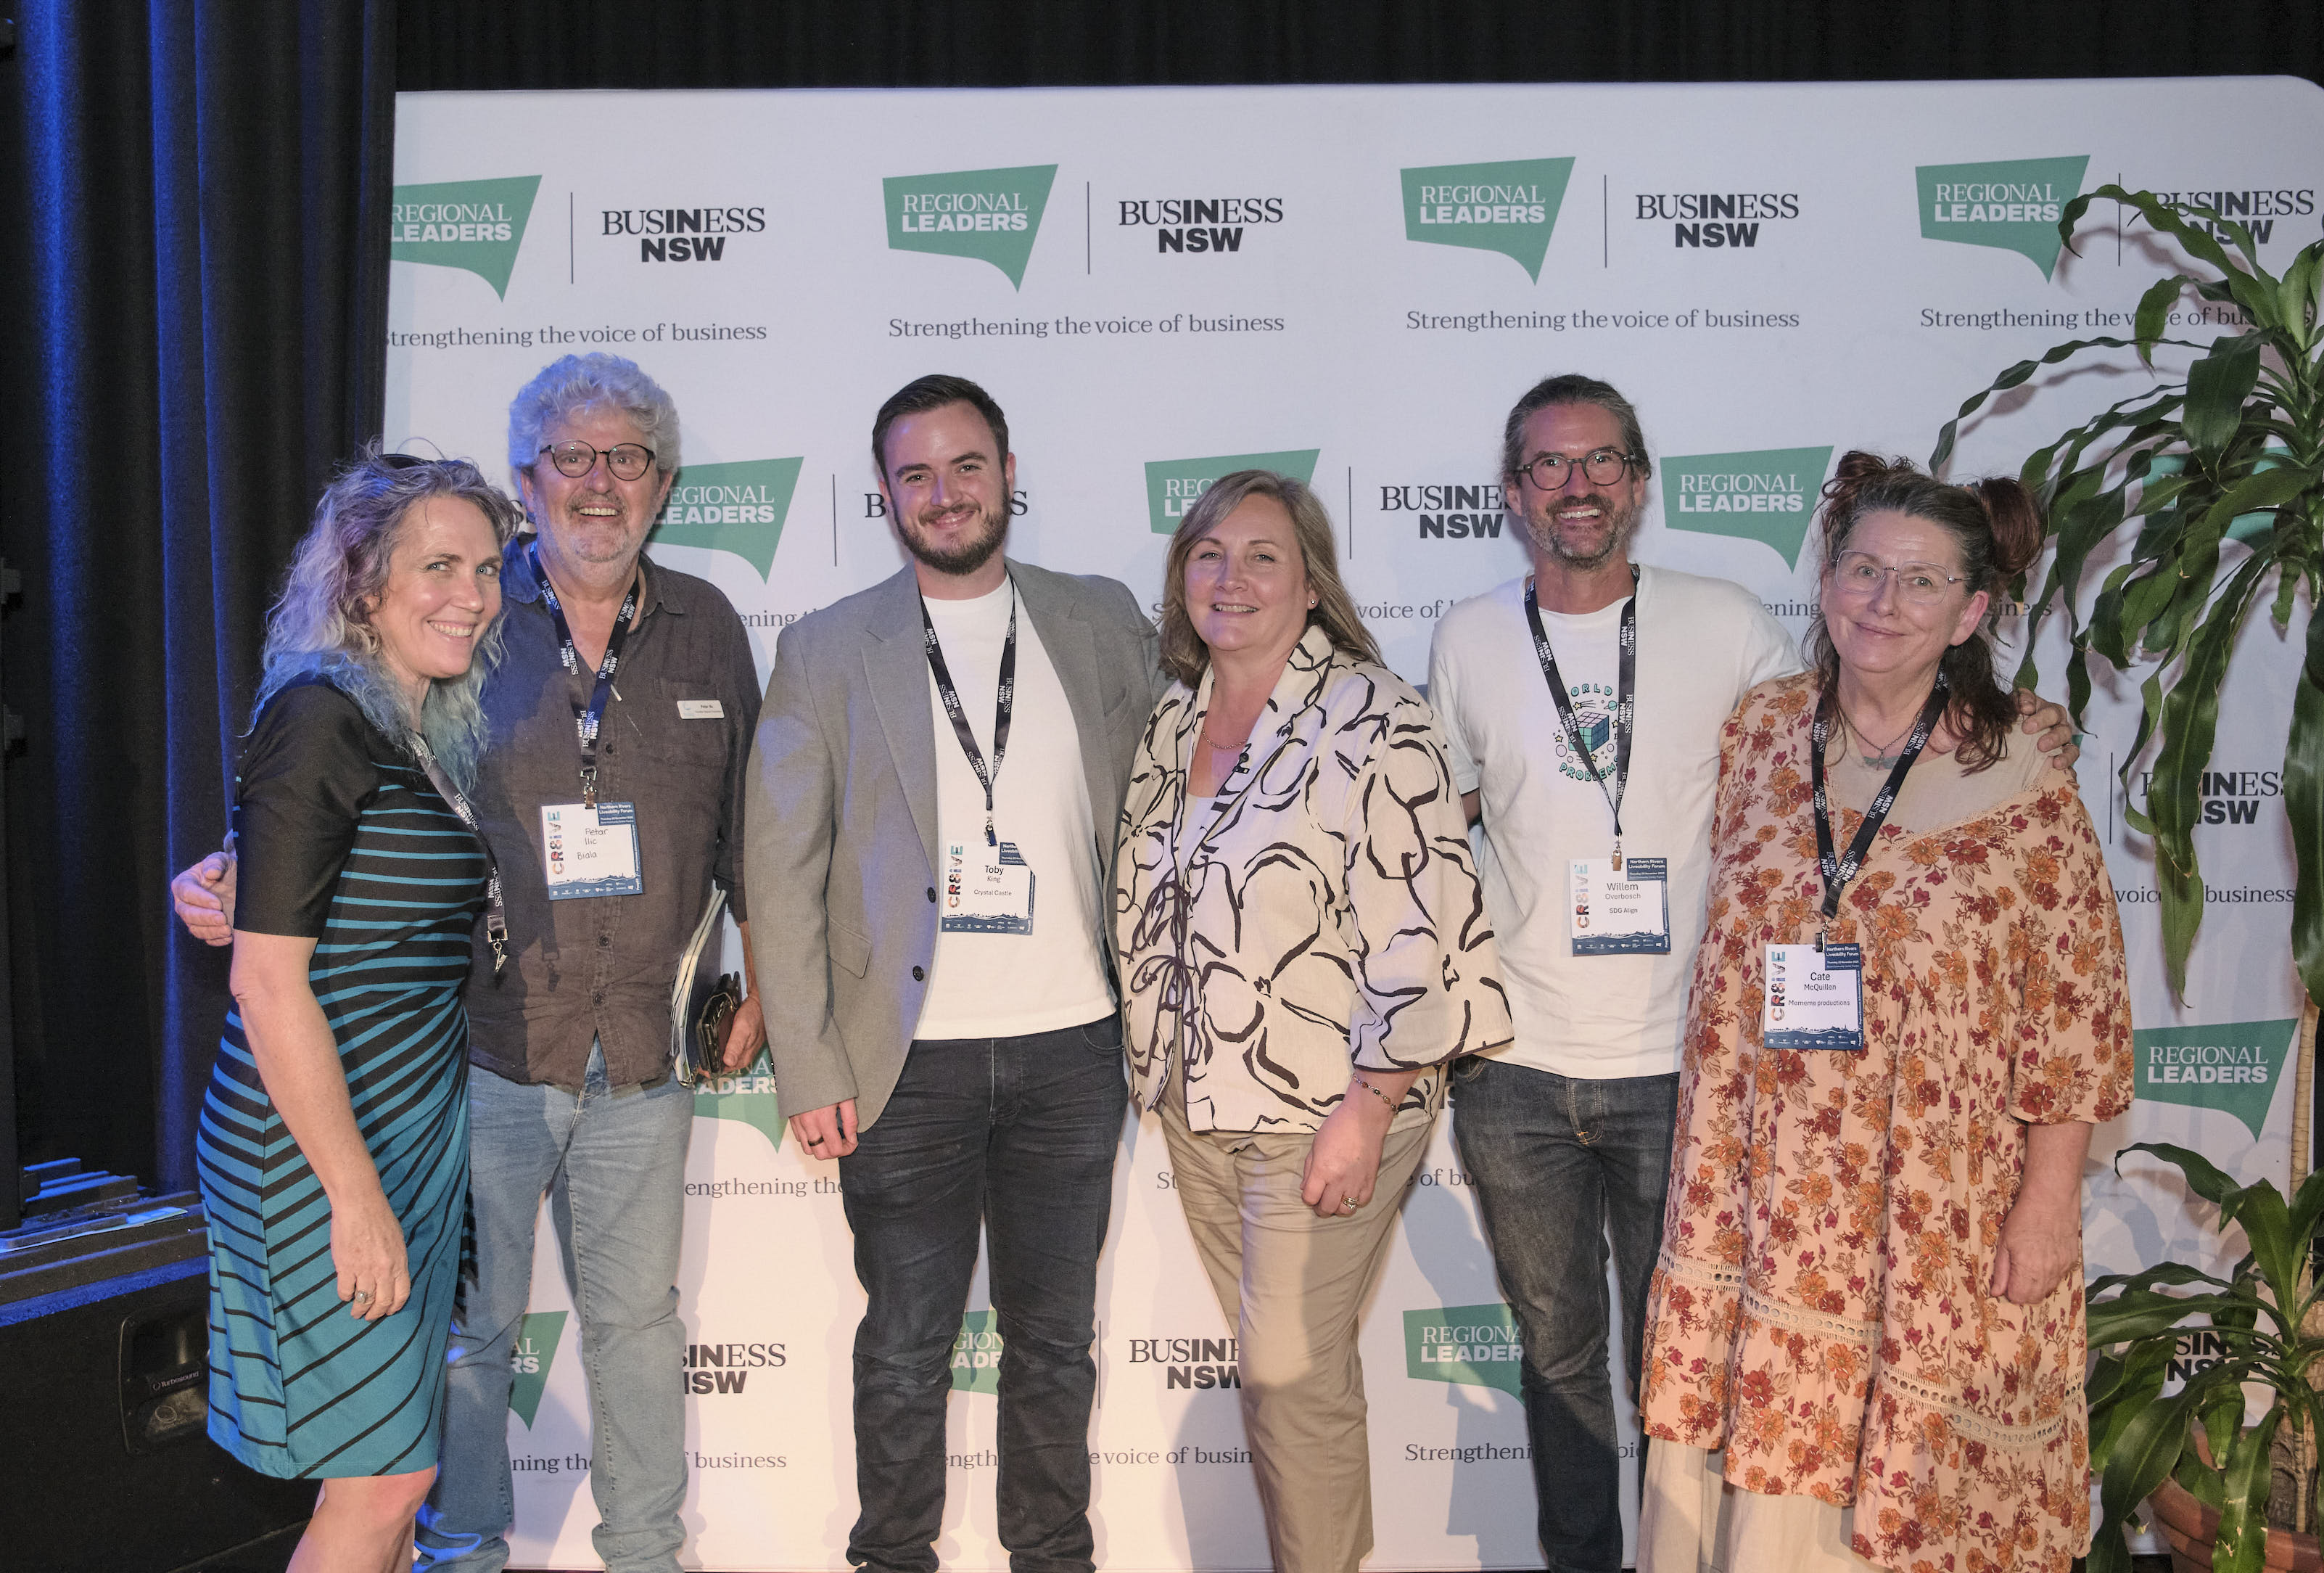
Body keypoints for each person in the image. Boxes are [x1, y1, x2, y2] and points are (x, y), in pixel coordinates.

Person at [1425, 376, 2077, 1573]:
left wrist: (2047, 1192)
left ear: (1641, 481)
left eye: (1603, 460)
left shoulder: (1744, 644)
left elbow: (2063, 993)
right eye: (1549, 464)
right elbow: (1435, 819)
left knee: (1686, 1365)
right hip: (1538, 1074)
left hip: (1697, 1082)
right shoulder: (1479, 642)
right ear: (1513, 492)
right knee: (1562, 1359)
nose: (1578, 485)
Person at [174, 353, 767, 1573]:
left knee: (627, 1333)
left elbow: (746, 828)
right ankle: (467, 1560)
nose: (599, 481)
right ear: (528, 478)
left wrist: (760, 985)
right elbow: (315, 832)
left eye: (628, 457)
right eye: (571, 456)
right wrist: (238, 871)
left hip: (632, 1054)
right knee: (459, 1358)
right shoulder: (457, 644)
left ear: (663, 482)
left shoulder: (702, 628)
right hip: (476, 1058)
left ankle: (645, 1558)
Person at [1634, 453, 2133, 1573]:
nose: (1883, 602)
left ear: (1972, 612)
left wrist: (2049, 1203)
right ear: (1826, 584)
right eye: (1863, 570)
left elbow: (2077, 1014)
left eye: (1921, 582)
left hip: (1938, 1204)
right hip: (1759, 1193)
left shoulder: (2026, 772)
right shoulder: (1761, 732)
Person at [746, 374, 1163, 1573]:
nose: (945, 494)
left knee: (1056, 1343)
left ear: (1009, 473)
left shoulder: (1102, 620)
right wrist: (808, 1063)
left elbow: (1170, 805)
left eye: (966, 466)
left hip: (1075, 1049)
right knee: (904, 1346)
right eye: (916, 475)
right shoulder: (826, 648)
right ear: (886, 496)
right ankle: (892, 1558)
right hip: (900, 1064)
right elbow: (780, 869)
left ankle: (1052, 1555)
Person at [1111, 470, 1513, 1573]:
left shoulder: (1376, 717)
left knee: (1290, 1382)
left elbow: (1421, 930)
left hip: (1327, 1106)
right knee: (1286, 1379)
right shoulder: (1173, 720)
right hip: (1197, 1107)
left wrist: (1367, 1112)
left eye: (1262, 556)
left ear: (1311, 581)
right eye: (1208, 554)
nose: (1230, 578)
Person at [198, 450, 514, 1572]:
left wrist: (226, 876)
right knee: (383, 1483)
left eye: (487, 568)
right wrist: (353, 1195)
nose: (472, 595)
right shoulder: (322, 714)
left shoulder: (412, 727)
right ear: (362, 583)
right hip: (318, 1147)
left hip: (403, 1126)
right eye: (439, 567)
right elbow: (266, 980)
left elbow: (328, 890)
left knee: (394, 1474)